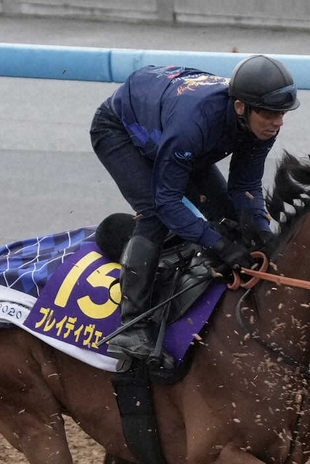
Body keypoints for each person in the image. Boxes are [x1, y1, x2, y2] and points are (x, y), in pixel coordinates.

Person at [89, 54, 299, 366]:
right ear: (242, 107)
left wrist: (262, 239)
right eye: (270, 113)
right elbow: (167, 202)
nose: (278, 122)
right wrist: (217, 244)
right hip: (120, 131)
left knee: (229, 219)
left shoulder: (262, 123)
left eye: (282, 113)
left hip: (172, 130)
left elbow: (245, 188)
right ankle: (132, 326)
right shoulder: (194, 125)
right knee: (154, 214)